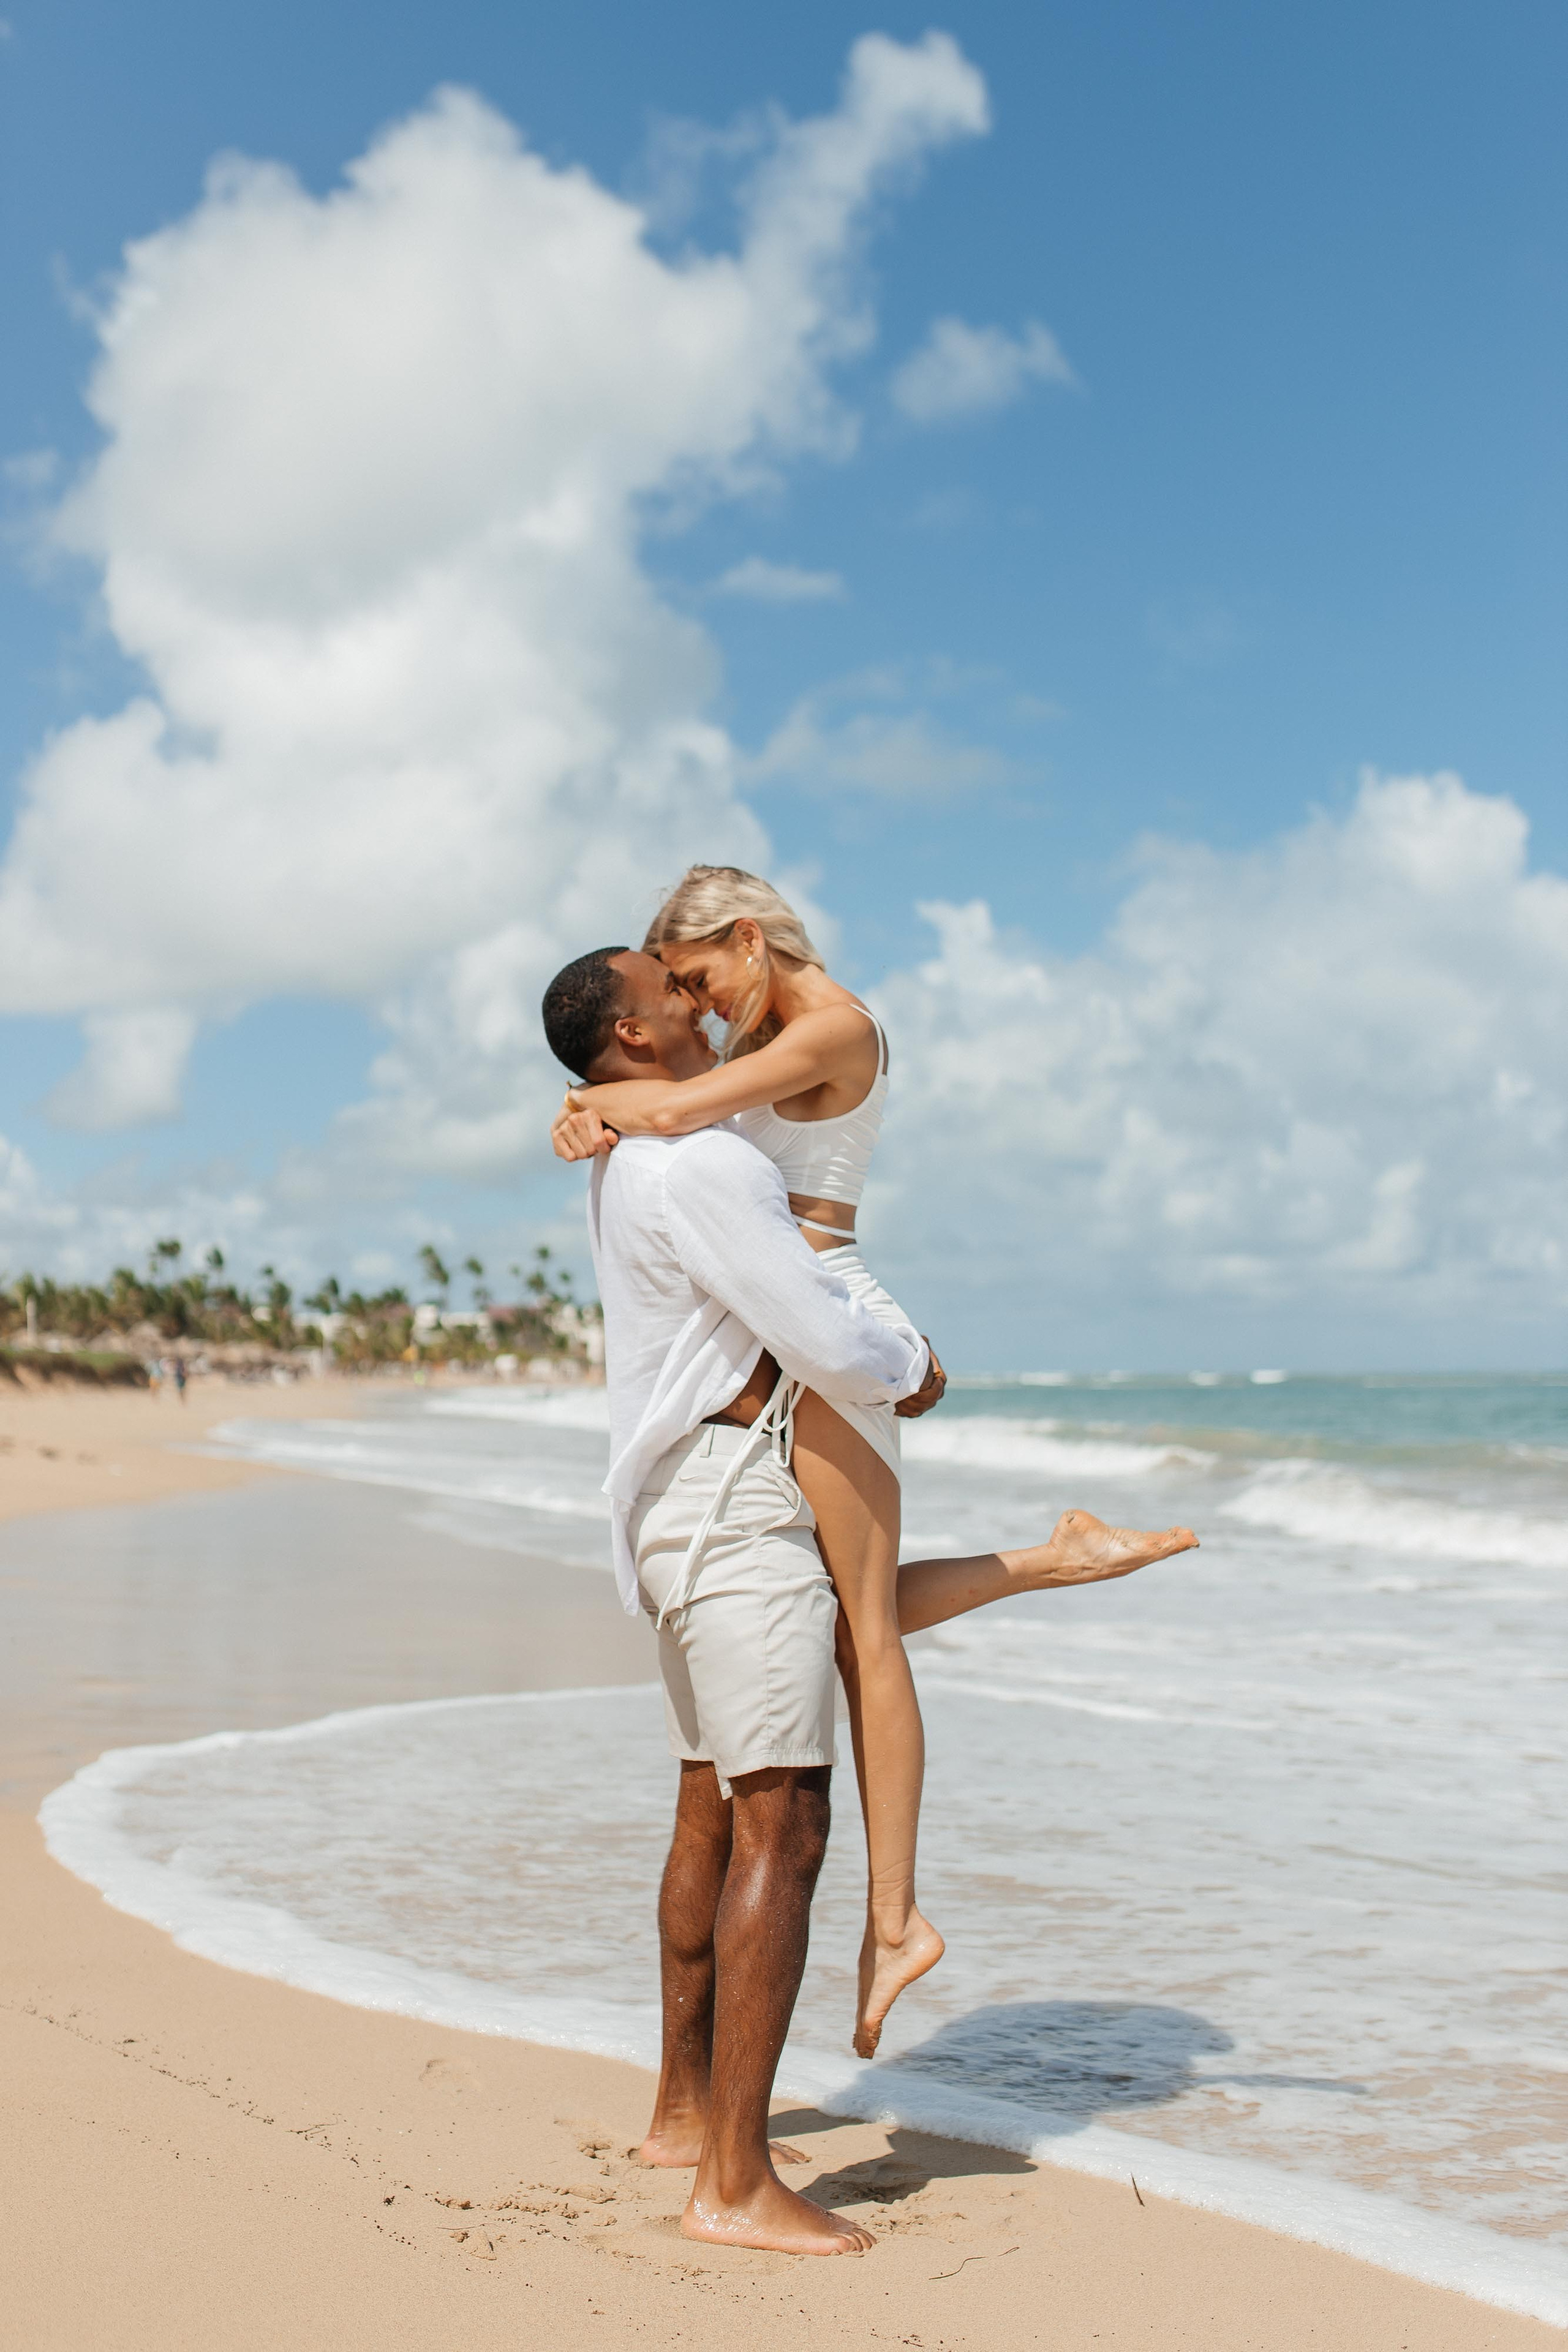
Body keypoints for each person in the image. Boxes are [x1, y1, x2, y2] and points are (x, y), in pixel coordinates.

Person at [541, 944, 1195, 2256]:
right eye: (664, 984)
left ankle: (683, 2112)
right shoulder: (708, 1160)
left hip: (670, 1507)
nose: (687, 990)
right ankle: (730, 2182)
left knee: (705, 1807)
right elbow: (821, 1334)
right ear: (630, 1030)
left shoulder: (626, 1156)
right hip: (735, 1500)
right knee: (781, 1823)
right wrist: (913, 1365)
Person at [549, 870, 932, 2054]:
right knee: (834, 1627)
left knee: (861, 1628)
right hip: (795, 1327)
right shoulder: (747, 1047)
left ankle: (895, 1918)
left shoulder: (837, 1029)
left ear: (750, 939)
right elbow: (674, 1110)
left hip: (832, 1312)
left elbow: (672, 1110)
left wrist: (599, 1108)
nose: (703, 1008)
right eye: (681, 993)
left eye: (703, 978)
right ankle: (1043, 1564)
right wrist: (597, 1104)